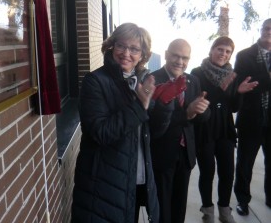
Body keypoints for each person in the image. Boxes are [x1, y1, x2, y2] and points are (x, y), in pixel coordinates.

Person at [71, 23, 162, 223]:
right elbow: (100, 132)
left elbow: (152, 132)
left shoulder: (141, 82)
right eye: (121, 46)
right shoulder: (94, 81)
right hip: (102, 184)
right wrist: (139, 106)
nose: (126, 53)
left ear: (142, 55)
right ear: (111, 46)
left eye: (135, 49)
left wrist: (168, 105)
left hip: (136, 178)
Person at [190, 37, 258, 223]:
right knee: (207, 172)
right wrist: (225, 88)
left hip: (225, 130)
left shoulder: (232, 75)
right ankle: (208, 212)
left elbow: (234, 107)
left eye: (228, 51)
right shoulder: (197, 73)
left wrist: (240, 93)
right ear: (211, 50)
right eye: (220, 49)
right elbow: (203, 101)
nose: (223, 54)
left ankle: (225, 211)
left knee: (227, 172)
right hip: (205, 129)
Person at [149, 38, 211, 223]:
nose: (180, 61)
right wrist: (188, 113)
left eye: (185, 58)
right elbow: (153, 121)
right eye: (175, 56)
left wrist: (202, 109)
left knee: (179, 205)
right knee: (162, 206)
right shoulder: (152, 80)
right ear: (166, 55)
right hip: (162, 154)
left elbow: (201, 118)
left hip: (185, 154)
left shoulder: (193, 80)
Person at [233, 18, 271, 216]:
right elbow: (245, 84)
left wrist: (261, 79)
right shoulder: (244, 55)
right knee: (245, 163)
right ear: (260, 30)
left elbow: (257, 81)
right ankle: (242, 200)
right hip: (251, 120)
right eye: (266, 28)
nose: (268, 31)